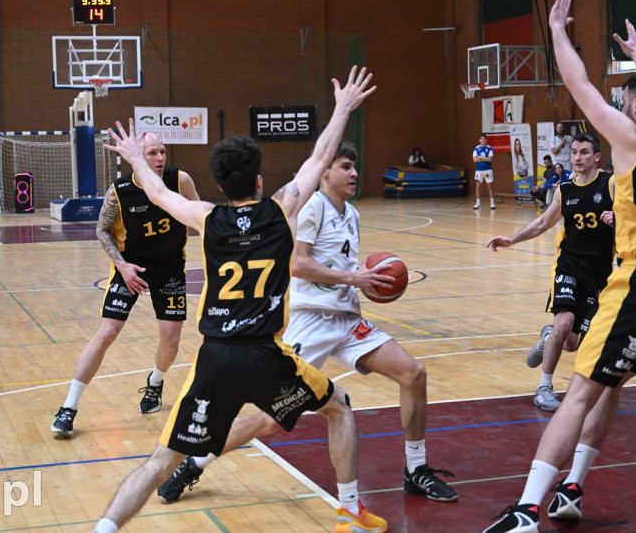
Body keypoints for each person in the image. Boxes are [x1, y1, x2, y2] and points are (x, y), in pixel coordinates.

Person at [92, 67, 387, 533]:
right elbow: (319, 156)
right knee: (339, 406)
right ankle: (350, 511)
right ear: (258, 179)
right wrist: (344, 108)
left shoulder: (206, 218)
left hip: (213, 360)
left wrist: (135, 157)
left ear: (220, 183)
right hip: (268, 356)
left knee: (159, 461)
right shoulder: (281, 210)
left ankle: (104, 528)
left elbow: (155, 190)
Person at [483, 0, 636, 533]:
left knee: (579, 393)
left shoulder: (632, 142)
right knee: (613, 384)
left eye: (625, 97)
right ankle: (573, 490)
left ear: (631, 107)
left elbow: (580, 86)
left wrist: (557, 31)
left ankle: (527, 511)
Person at [157, 141, 458, 505]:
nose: (354, 173)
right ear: (325, 172)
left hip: (346, 320)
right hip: (309, 320)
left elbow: (341, 264)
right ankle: (194, 462)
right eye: (346, 166)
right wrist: (353, 279)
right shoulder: (310, 208)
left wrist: (364, 277)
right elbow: (296, 264)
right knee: (270, 418)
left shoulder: (351, 213)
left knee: (414, 374)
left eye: (354, 166)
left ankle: (416, 470)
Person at [50, 132, 199, 437]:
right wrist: (122, 265)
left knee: (171, 338)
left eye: (163, 152)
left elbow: (201, 217)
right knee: (107, 332)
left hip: (170, 268)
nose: (160, 159)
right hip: (130, 267)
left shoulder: (180, 180)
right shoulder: (120, 191)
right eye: (153, 154)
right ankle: (69, 407)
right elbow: (102, 229)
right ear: (136, 157)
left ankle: (155, 384)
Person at [487, 133, 615, 413]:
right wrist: (512, 239)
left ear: (596, 158)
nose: (578, 157)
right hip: (568, 264)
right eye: (575, 152)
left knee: (571, 342)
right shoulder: (565, 189)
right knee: (565, 323)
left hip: (599, 272)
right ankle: (544, 387)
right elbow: (545, 222)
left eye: (584, 152)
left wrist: (619, 218)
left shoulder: (611, 185)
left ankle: (547, 339)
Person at [473, 133, 496, 210]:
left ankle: (492, 203)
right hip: (479, 171)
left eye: (484, 139)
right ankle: (477, 203)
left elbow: (490, 159)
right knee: (478, 187)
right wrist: (484, 158)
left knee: (490, 186)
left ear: (486, 140)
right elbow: (475, 160)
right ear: (479, 140)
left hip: (488, 170)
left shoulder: (489, 148)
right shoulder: (476, 148)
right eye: (482, 139)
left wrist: (480, 157)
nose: (483, 140)